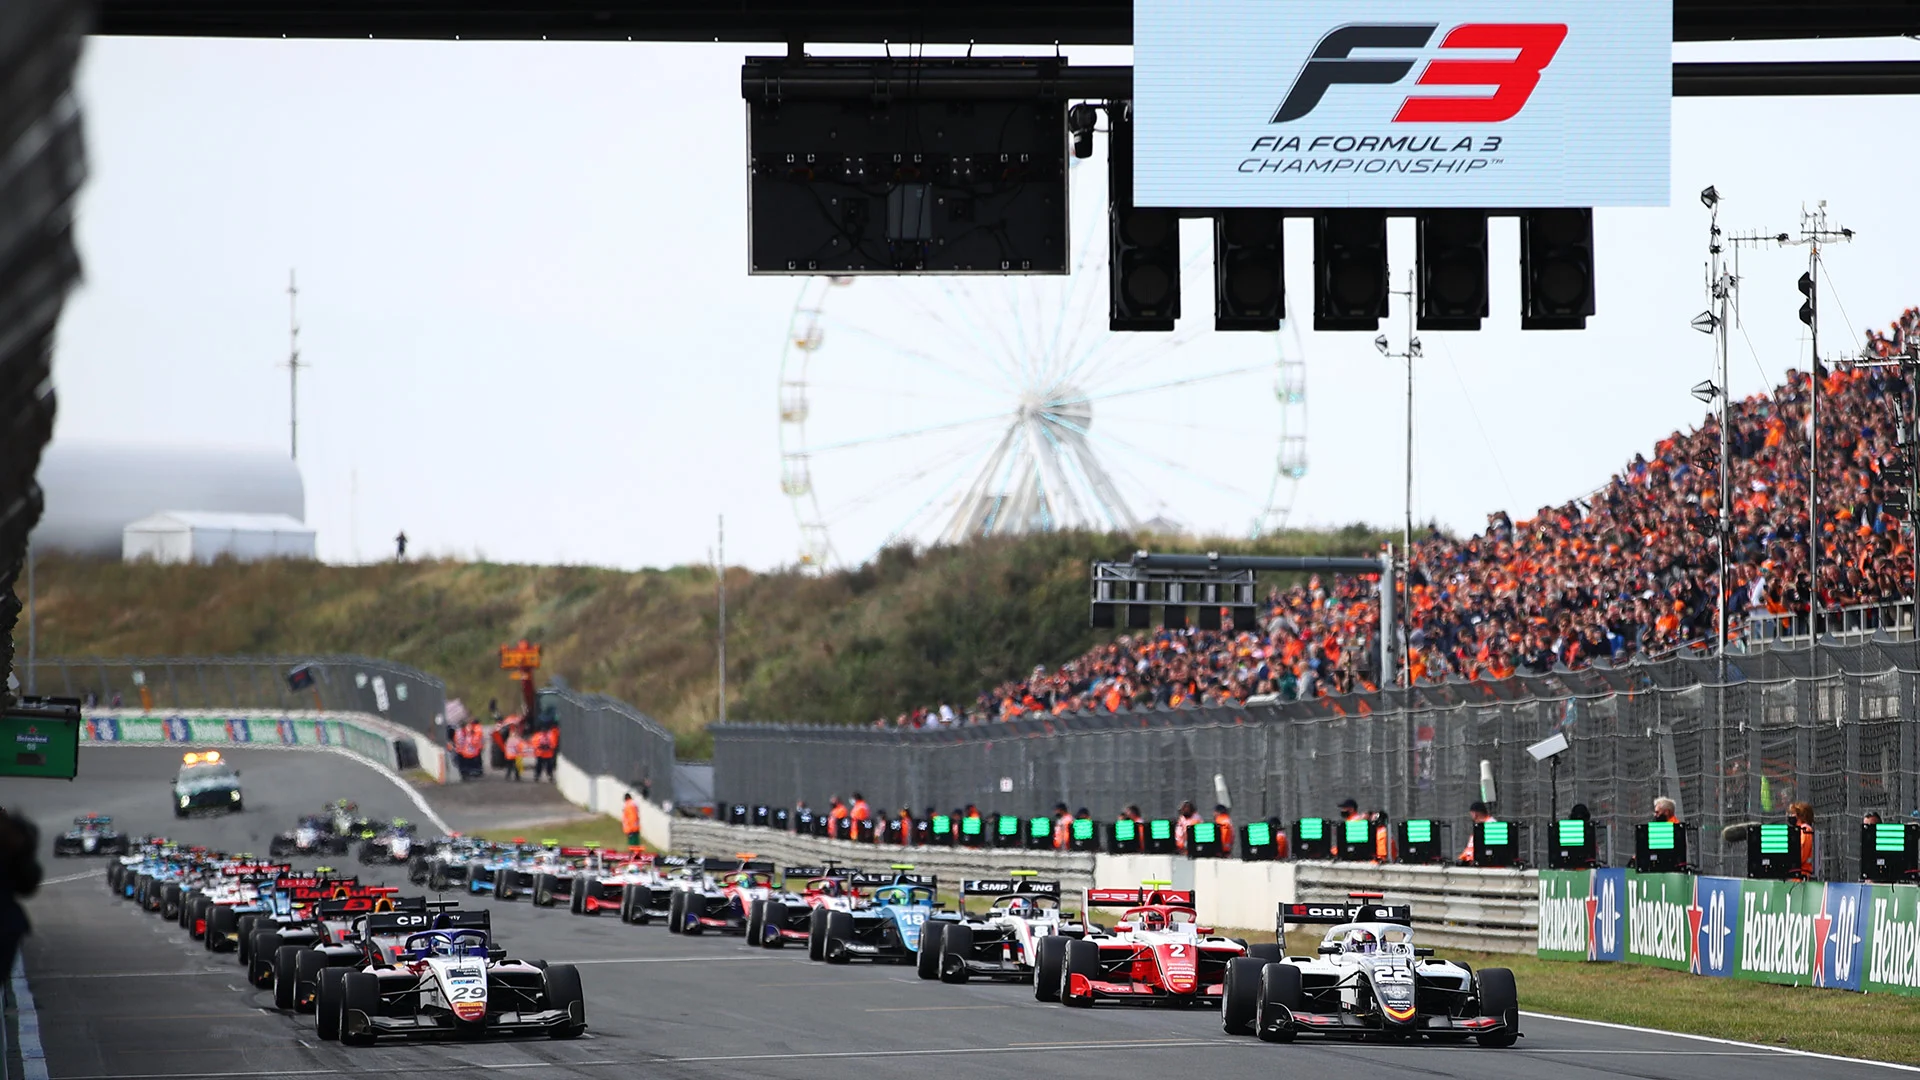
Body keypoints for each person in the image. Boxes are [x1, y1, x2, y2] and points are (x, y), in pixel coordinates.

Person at [1788, 801, 1817, 879]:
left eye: (1793, 814)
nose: (1791, 816)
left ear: (1801, 816)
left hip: (1800, 876)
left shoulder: (1805, 830)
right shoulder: (1797, 830)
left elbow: (1801, 855)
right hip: (1795, 875)